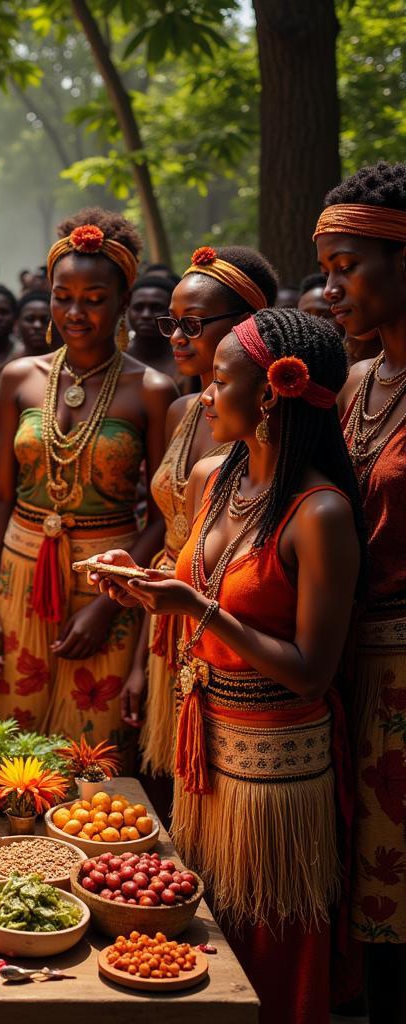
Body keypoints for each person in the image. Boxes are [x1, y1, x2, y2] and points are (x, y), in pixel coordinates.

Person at [88, 308, 361, 1024]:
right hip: (204, 747)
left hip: (277, 772)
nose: (204, 396)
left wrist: (191, 607)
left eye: (217, 381)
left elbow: (310, 671)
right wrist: (140, 583)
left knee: (272, 946)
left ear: (270, 393)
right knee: (206, 938)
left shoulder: (319, 512)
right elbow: (200, 593)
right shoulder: (216, 477)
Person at [0, 208, 175, 763]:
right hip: (19, 572)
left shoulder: (152, 389)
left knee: (92, 749)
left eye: (94, 297)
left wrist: (111, 602)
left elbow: (162, 513)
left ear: (124, 301)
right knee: (8, 744)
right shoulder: (20, 376)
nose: (75, 312)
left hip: (109, 577)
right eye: (64, 296)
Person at [131, 246, 277, 781]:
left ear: (245, 327)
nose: (176, 337)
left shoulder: (270, 425)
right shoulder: (180, 410)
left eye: (192, 324)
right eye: (173, 323)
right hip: (169, 613)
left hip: (233, 625)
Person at [316, 161, 406, 1022]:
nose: (331, 288)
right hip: (347, 668)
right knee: (370, 913)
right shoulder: (354, 382)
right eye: (327, 270)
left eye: (348, 268)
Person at [126, 273, 179, 382]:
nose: (146, 315)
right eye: (138, 307)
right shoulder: (116, 361)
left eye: (157, 308)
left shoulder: (187, 362)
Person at [17, 290, 55, 356]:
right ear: (17, 324)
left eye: (45, 320)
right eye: (30, 319)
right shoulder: (9, 364)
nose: (37, 325)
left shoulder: (69, 364)